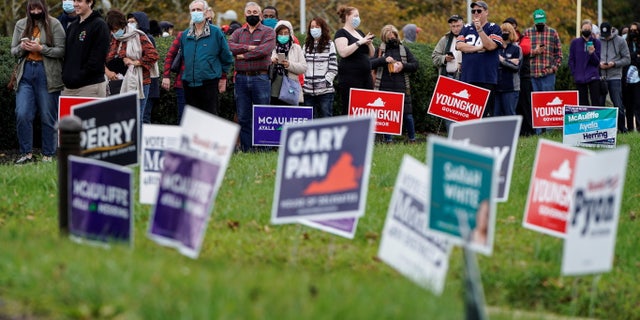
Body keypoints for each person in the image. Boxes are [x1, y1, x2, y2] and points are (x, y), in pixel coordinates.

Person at [11, 0, 65, 164]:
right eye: (32, 8)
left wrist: (41, 49)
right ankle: (26, 153)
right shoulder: (21, 24)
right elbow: (13, 50)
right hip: (26, 72)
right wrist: (23, 48)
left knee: (48, 116)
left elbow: (62, 50)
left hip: (46, 72)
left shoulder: (54, 24)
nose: (35, 12)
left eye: (38, 8)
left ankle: (48, 154)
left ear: (44, 8)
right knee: (22, 113)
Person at [228, 1, 276, 152]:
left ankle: (263, 150)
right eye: (249, 12)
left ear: (260, 15)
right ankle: (247, 150)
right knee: (243, 116)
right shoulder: (237, 33)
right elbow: (230, 47)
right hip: (241, 79)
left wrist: (243, 55)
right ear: (245, 15)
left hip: (260, 78)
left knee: (263, 116)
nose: (252, 15)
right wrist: (248, 48)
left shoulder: (268, 32)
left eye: (255, 12)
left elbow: (264, 51)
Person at [104, 9, 159, 125]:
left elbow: (153, 55)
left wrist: (135, 62)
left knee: (136, 118)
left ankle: (137, 142)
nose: (115, 32)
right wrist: (108, 71)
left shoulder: (137, 36)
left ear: (122, 24)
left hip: (139, 82)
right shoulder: (112, 38)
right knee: (119, 120)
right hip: (117, 83)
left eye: (116, 28)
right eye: (112, 29)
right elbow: (103, 58)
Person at [179, 0, 233, 116]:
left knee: (210, 118)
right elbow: (184, 57)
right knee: (192, 118)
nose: (196, 12)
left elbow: (227, 57)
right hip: (189, 83)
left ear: (206, 12)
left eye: (199, 10)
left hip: (209, 82)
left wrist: (223, 77)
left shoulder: (216, 32)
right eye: (193, 10)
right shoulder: (185, 35)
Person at [371, 24, 419, 143]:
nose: (392, 39)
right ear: (384, 38)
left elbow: (415, 65)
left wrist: (402, 66)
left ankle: (412, 138)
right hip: (384, 87)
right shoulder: (380, 50)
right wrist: (383, 59)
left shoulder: (404, 49)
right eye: (389, 37)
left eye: (394, 36)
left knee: (407, 115)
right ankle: (389, 140)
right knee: (388, 115)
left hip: (401, 86)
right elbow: (370, 64)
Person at [456, 1, 503, 117]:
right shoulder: (466, 28)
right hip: (468, 76)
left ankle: (487, 135)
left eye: (479, 11)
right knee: (468, 114)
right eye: (473, 11)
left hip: (486, 77)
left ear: (486, 12)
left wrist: (480, 30)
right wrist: (478, 48)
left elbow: (491, 46)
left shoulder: (494, 28)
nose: (476, 13)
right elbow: (459, 46)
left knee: (485, 113)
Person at [61, 0, 110, 97]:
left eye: (79, 1)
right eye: (74, 1)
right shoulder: (72, 27)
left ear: (90, 2)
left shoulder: (99, 25)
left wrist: (78, 76)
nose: (75, 4)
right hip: (68, 88)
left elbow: (97, 59)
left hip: (90, 87)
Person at [334, 5, 375, 115]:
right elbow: (343, 52)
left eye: (358, 16)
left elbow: (371, 54)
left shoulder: (360, 33)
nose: (358, 18)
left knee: (366, 108)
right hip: (350, 78)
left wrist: (369, 43)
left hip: (365, 78)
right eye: (355, 16)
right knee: (350, 108)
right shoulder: (341, 33)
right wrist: (359, 42)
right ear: (347, 16)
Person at [128, 11, 160, 124]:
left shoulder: (146, 37)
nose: (130, 24)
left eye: (133, 22)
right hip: (136, 82)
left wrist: (136, 62)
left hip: (146, 82)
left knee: (143, 117)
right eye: (128, 22)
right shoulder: (131, 36)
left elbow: (152, 57)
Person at [302, 17, 338, 118]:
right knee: (309, 120)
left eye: (317, 27)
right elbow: (302, 65)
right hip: (308, 91)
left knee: (326, 119)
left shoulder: (330, 44)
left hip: (325, 91)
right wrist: (304, 82)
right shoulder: (306, 46)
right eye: (312, 27)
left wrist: (326, 81)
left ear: (322, 28)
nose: (314, 29)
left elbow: (333, 66)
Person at [505, 17, 535, 136]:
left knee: (526, 104)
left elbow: (526, 50)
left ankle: (529, 131)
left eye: (511, 26)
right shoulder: (502, 41)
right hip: (509, 77)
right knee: (513, 106)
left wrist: (511, 47)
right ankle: (517, 131)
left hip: (523, 76)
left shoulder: (524, 38)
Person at [599, 21, 630, 133]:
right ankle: (602, 129)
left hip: (615, 76)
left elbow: (627, 59)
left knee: (617, 103)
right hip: (601, 76)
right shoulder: (598, 41)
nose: (605, 38)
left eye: (607, 36)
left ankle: (622, 128)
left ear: (612, 30)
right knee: (600, 104)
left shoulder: (620, 41)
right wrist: (599, 63)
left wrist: (614, 63)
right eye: (604, 36)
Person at [522, 9, 563, 92]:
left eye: (542, 22)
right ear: (534, 21)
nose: (540, 24)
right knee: (533, 103)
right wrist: (534, 51)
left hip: (548, 76)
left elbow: (559, 55)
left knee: (547, 102)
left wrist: (552, 69)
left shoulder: (553, 33)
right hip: (531, 75)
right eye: (538, 23)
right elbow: (522, 53)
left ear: (545, 20)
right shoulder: (527, 33)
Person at [270, 20, 306, 105]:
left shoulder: (296, 48)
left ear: (290, 34)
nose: (283, 36)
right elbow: (264, 66)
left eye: (286, 33)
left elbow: (303, 68)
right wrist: (272, 62)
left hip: (290, 89)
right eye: (280, 33)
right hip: (273, 89)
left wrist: (289, 65)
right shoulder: (272, 47)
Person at [568, 20, 601, 106]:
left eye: (588, 28)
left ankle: (596, 118)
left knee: (595, 101)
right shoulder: (575, 43)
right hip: (579, 76)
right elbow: (571, 59)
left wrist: (592, 53)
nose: (586, 30)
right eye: (584, 28)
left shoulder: (596, 42)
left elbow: (597, 62)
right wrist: (574, 72)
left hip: (593, 76)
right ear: (581, 29)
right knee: (583, 103)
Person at [494, 22, 522, 116]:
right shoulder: (495, 48)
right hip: (496, 87)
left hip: (511, 88)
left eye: (506, 31)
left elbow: (516, 67)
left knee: (510, 114)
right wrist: (510, 61)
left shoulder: (516, 49)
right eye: (502, 31)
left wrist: (503, 60)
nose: (504, 33)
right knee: (496, 116)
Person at [161, 30, 186, 121]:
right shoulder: (183, 35)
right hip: (183, 82)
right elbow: (170, 55)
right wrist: (166, 76)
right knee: (183, 117)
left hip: (204, 84)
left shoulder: (213, 35)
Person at [432, 14, 463, 79]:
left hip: (465, 76)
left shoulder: (470, 37)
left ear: (463, 24)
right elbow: (434, 57)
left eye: (458, 26)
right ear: (450, 27)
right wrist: (444, 59)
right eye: (453, 26)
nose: (456, 29)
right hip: (448, 76)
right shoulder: (445, 39)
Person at [624, 22, 640, 131]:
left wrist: (633, 57)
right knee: (628, 105)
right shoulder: (626, 43)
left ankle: (639, 127)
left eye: (635, 30)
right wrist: (636, 55)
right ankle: (629, 128)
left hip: (638, 79)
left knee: (638, 104)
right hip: (626, 79)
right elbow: (626, 58)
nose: (633, 32)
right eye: (631, 30)